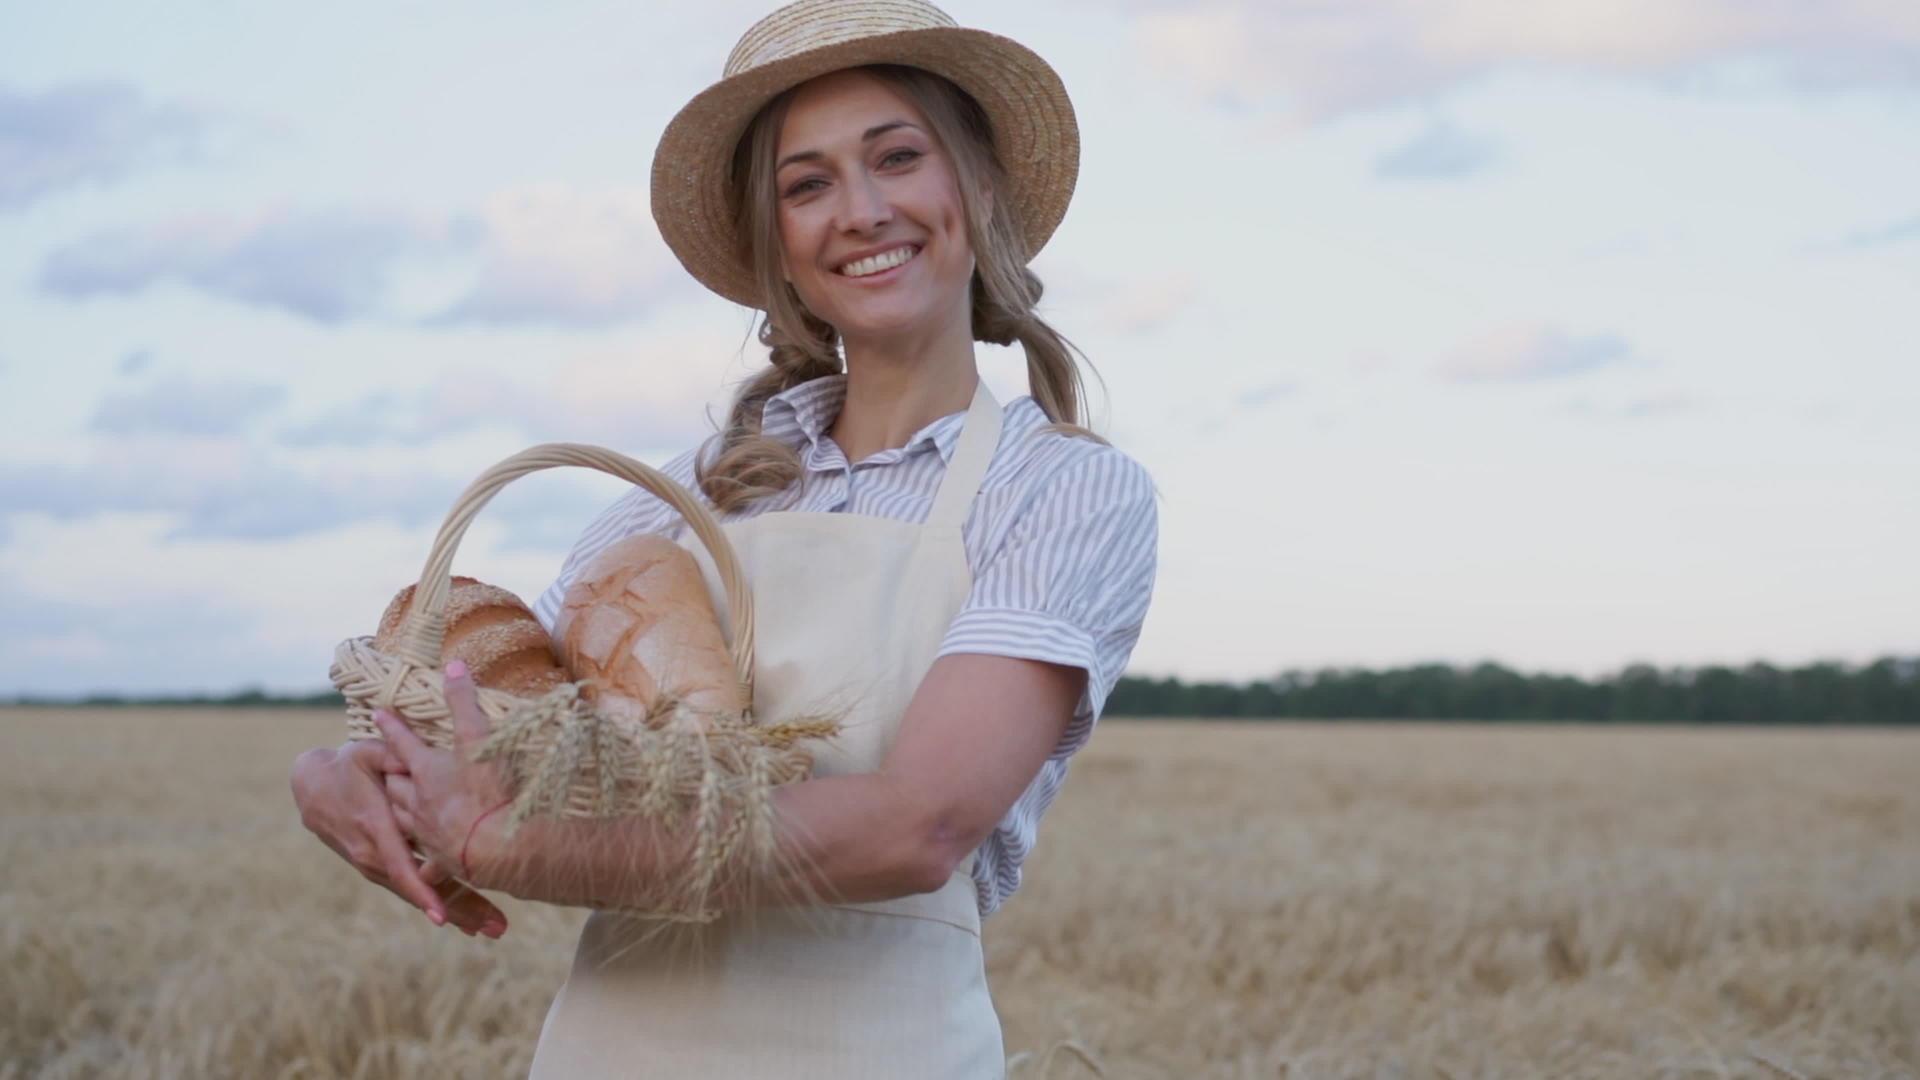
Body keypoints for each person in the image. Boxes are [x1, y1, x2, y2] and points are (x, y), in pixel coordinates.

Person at [290, 0, 1157, 1074]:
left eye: (898, 158)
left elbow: (918, 825)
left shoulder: (1064, 490)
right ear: (777, 245)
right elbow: (512, 715)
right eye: (808, 184)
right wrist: (342, 771)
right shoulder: (684, 498)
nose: (861, 209)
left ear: (978, 187)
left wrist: (529, 849)